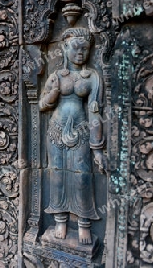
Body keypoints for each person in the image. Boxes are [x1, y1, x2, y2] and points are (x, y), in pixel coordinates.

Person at [39, 28, 106, 245]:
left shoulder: (93, 77)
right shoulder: (57, 76)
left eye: (85, 48)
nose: (80, 52)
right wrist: (53, 93)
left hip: (81, 132)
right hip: (56, 130)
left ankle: (84, 223)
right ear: (65, 48)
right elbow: (42, 105)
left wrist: (97, 149)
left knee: (82, 176)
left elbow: (95, 112)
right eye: (75, 47)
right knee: (57, 175)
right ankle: (60, 221)